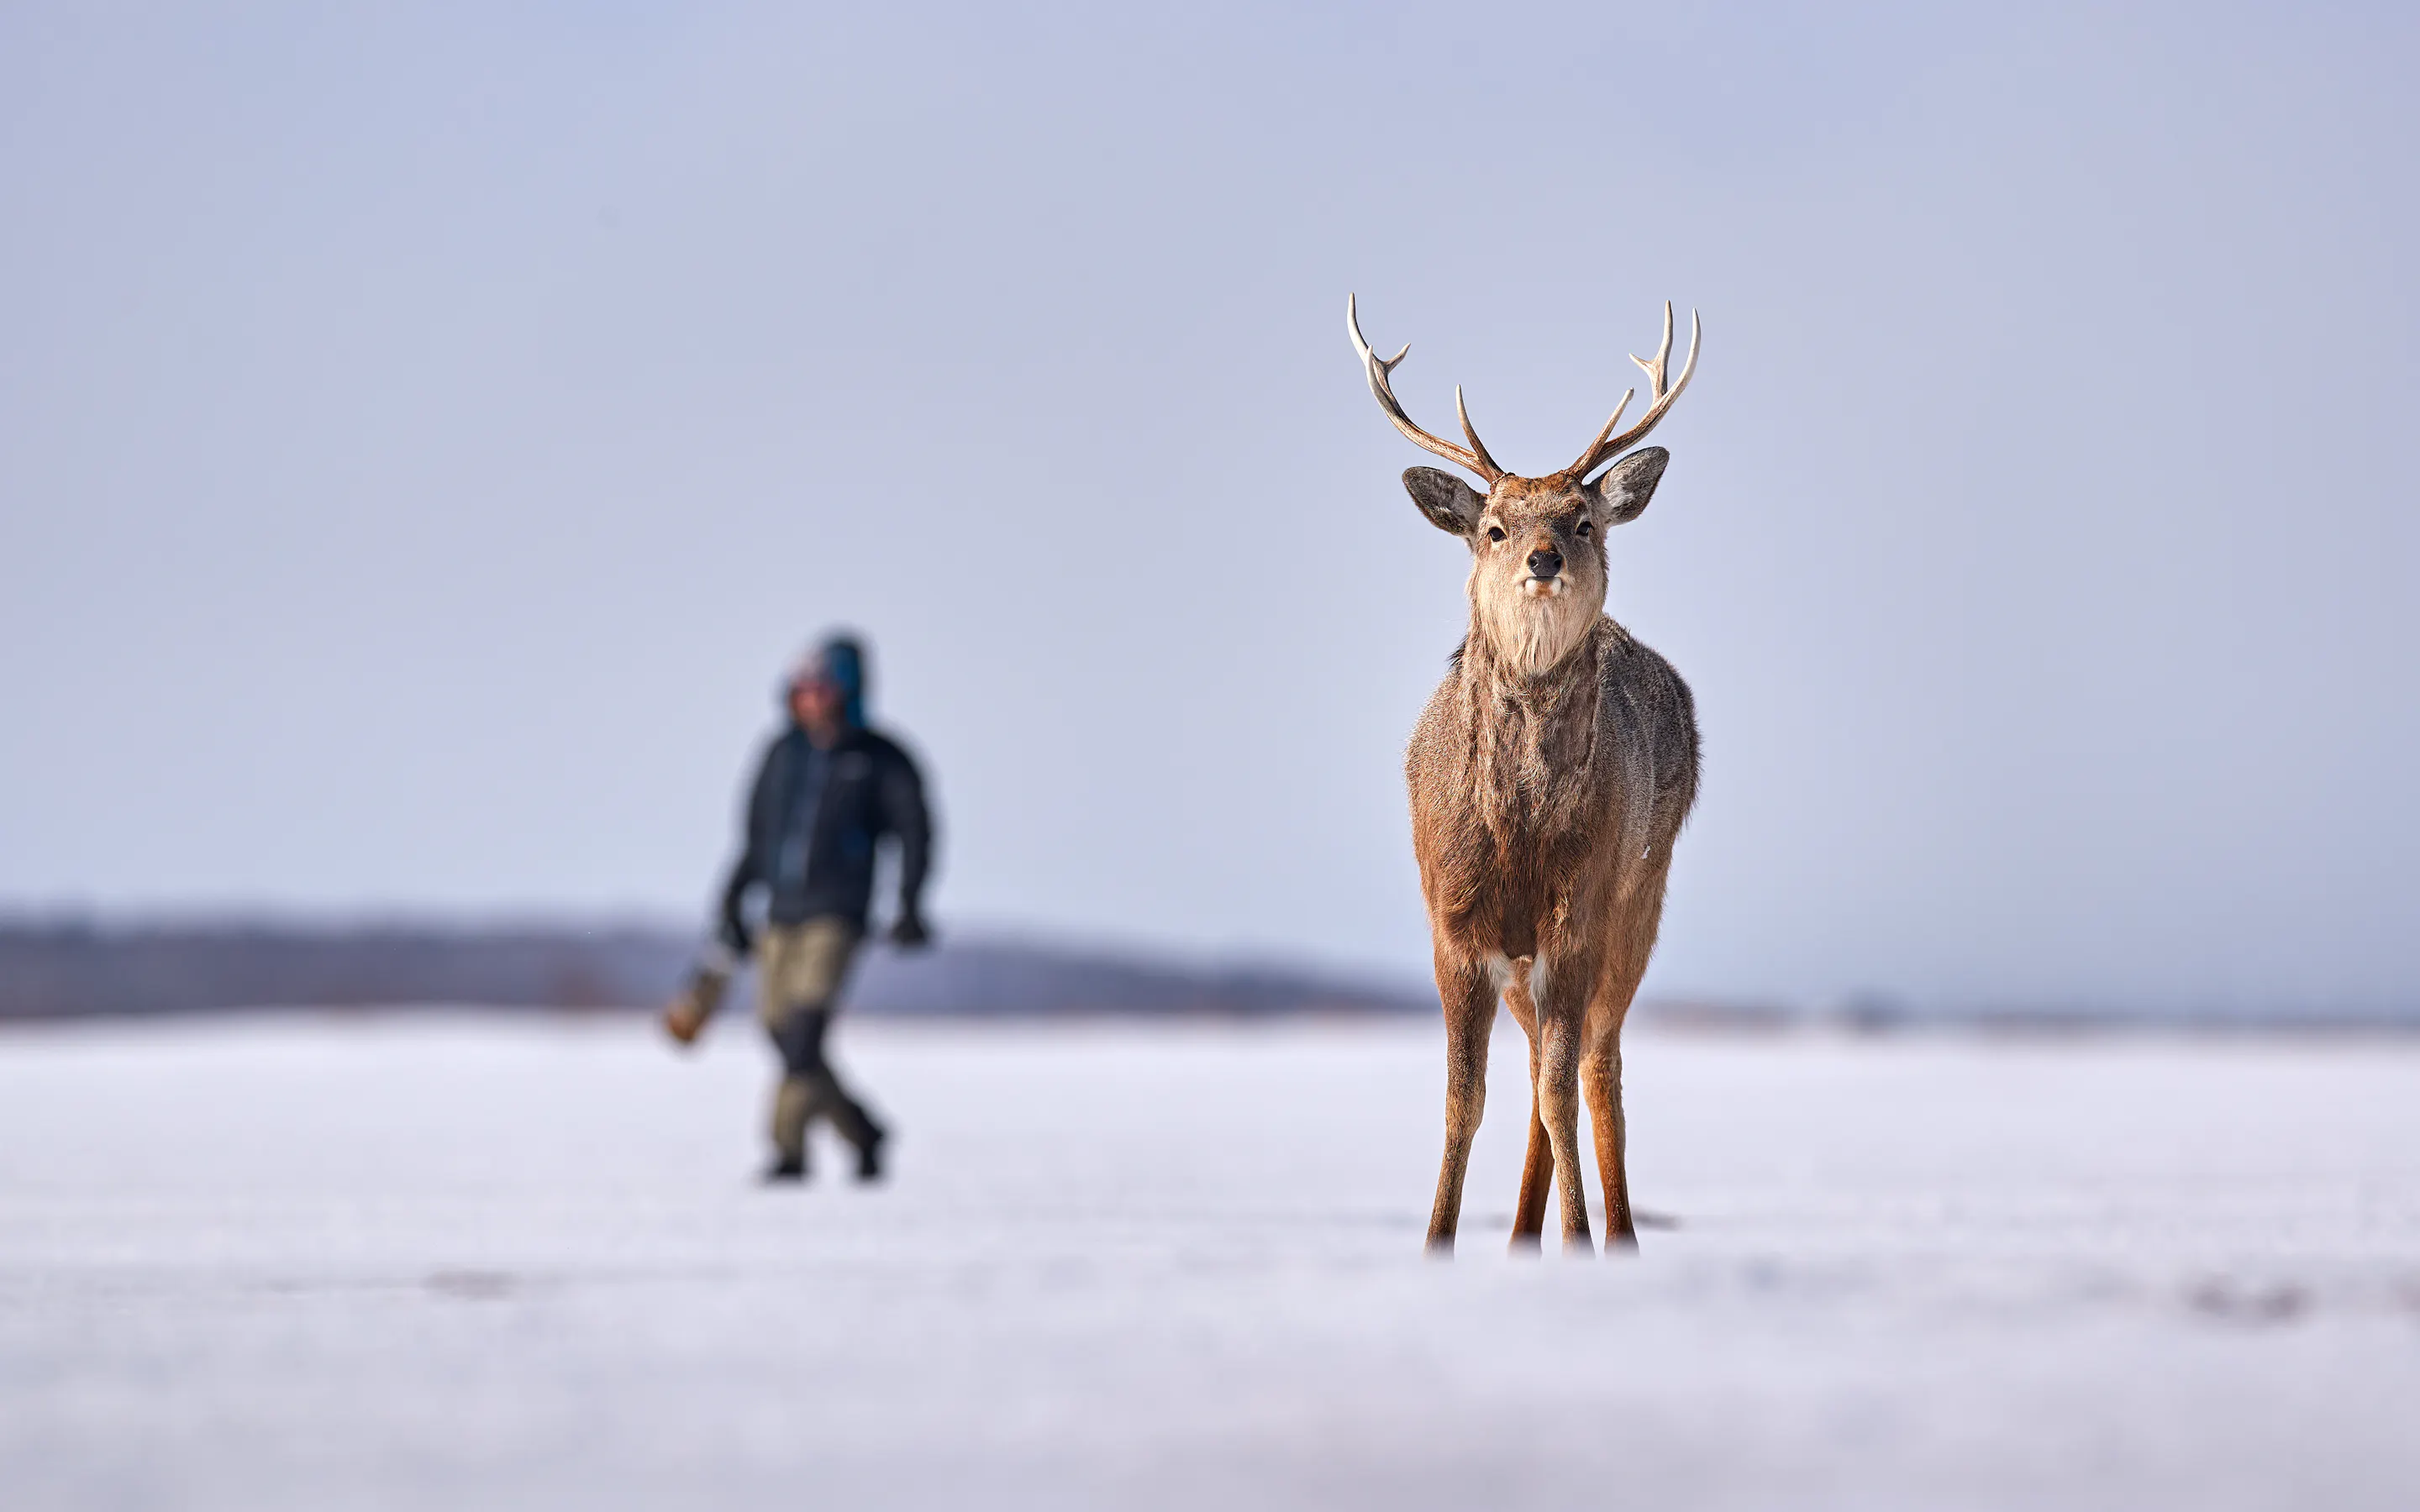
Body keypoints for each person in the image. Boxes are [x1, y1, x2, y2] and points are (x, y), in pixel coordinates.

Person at [663, 635, 934, 1183]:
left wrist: (909, 903)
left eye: (821, 689)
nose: (810, 699)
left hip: (837, 912)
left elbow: (916, 832)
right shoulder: (781, 755)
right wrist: (734, 902)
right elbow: (756, 836)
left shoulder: (880, 759)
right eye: (803, 688)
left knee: (804, 1028)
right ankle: (861, 1129)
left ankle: (788, 1153)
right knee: (780, 1032)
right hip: (780, 911)